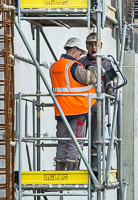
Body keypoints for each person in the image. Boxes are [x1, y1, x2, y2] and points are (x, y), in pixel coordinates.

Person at [49, 40, 93, 171]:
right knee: (75, 142)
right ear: (74, 50)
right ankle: (71, 172)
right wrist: (91, 67)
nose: (79, 57)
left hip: (61, 111)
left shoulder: (54, 66)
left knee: (62, 142)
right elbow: (89, 78)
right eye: (79, 54)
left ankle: (60, 172)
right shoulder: (73, 65)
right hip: (77, 109)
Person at [83, 33, 122, 175]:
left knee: (96, 139)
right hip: (82, 106)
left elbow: (113, 84)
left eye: (96, 44)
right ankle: (72, 167)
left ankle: (94, 169)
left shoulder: (107, 63)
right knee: (78, 138)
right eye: (90, 45)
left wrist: (110, 89)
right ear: (86, 46)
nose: (94, 47)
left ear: (101, 46)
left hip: (98, 108)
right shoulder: (82, 63)